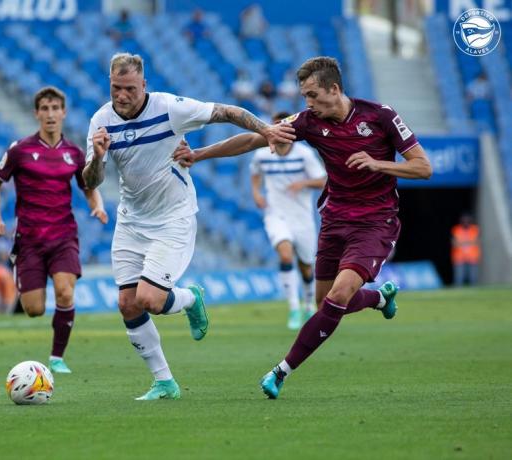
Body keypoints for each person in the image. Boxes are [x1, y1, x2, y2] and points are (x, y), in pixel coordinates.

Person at [174, 56, 432, 399]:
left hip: (374, 222)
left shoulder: (381, 116)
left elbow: (423, 167)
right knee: (327, 301)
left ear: (334, 88)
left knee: (338, 297)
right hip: (334, 220)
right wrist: (200, 154)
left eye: (312, 95)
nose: (307, 104)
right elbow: (254, 141)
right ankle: (377, 298)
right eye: (304, 96)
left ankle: (280, 371)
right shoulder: (309, 122)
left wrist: (377, 163)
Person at [82, 52, 294, 400]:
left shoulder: (169, 108)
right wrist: (100, 155)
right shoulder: (100, 122)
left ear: (144, 85)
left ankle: (191, 298)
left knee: (148, 298)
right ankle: (164, 382)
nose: (122, 96)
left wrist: (266, 129)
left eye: (130, 89)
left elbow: (226, 112)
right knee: (126, 303)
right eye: (116, 88)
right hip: (131, 221)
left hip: (172, 218)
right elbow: (90, 180)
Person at [0, 86, 108, 374]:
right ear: (37, 114)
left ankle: (57, 357)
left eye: (56, 108)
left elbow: (88, 185)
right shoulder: (20, 150)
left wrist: (97, 205)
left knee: (65, 293)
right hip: (29, 240)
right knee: (34, 309)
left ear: (63, 113)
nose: (51, 114)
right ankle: (30, 291)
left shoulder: (74, 153)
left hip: (64, 236)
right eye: (45, 109)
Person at [250, 111, 327, 330]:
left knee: (306, 266)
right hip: (276, 215)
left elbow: (322, 180)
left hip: (302, 217)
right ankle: (293, 307)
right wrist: (256, 193)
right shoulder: (263, 154)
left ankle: (309, 304)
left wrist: (303, 184)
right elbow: (255, 173)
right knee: (285, 255)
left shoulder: (303, 154)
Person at [451, 214, 480, 286]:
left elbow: (477, 241)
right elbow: (454, 243)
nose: (465, 222)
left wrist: (462, 243)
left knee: (473, 277)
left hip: (472, 256)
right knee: (459, 277)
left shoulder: (475, 229)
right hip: (459, 257)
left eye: (467, 221)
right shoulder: (456, 229)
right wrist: (469, 242)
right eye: (464, 221)